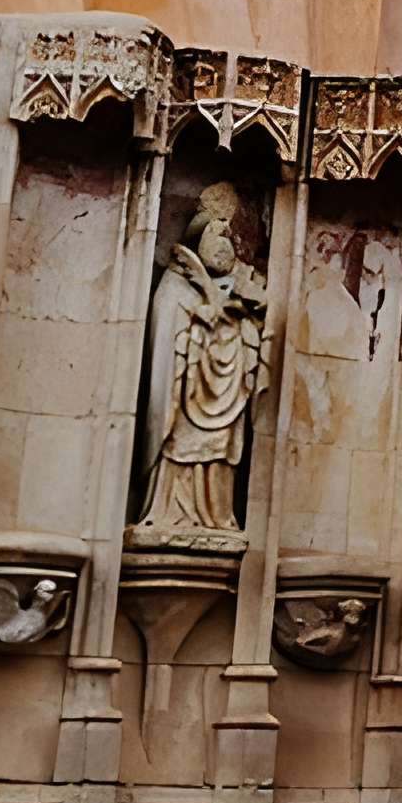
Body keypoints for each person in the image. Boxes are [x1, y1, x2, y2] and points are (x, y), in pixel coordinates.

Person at [133, 182, 272, 542]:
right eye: (215, 234)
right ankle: (167, 511)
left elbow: (261, 318)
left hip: (226, 396)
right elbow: (165, 340)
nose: (222, 244)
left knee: (220, 454)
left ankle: (216, 514)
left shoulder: (244, 283)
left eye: (227, 236)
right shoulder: (175, 284)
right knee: (176, 447)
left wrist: (231, 320)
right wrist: (200, 326)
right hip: (183, 396)